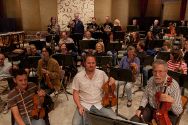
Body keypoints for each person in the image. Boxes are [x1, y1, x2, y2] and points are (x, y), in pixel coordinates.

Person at [131, 59, 183, 125]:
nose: (157, 75)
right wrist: (141, 108)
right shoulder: (151, 80)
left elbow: (178, 112)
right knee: (134, 120)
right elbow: (145, 96)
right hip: (152, 108)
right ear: (152, 72)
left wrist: (172, 101)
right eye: (155, 71)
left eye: (160, 71)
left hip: (167, 113)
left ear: (166, 72)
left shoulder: (174, 85)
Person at [72, 55, 117, 125]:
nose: (91, 65)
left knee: (115, 119)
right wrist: (79, 106)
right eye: (89, 63)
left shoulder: (101, 74)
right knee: (75, 124)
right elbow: (75, 93)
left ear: (95, 63)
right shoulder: (78, 76)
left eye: (93, 63)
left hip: (100, 103)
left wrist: (112, 82)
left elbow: (111, 87)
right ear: (84, 64)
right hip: (84, 104)